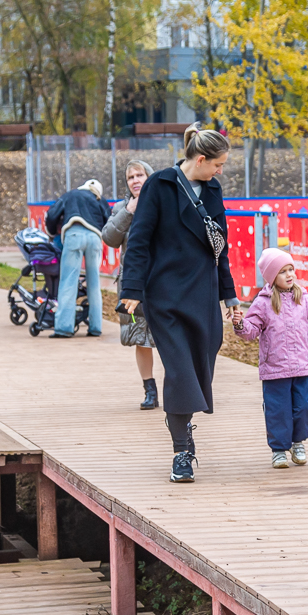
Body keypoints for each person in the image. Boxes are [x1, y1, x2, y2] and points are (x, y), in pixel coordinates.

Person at [119, 122, 239, 483]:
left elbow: (221, 247)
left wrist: (229, 294)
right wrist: (131, 290)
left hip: (202, 293)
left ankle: (184, 434)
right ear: (200, 159)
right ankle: (182, 452)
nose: (220, 171)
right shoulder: (161, 185)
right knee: (180, 371)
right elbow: (139, 239)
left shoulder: (213, 189)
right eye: (217, 164)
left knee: (201, 365)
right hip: (165, 295)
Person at [232, 249, 308, 468]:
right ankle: (279, 449)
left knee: (306, 404)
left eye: (291, 269)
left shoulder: (304, 299)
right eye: (282, 272)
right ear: (271, 277)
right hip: (275, 368)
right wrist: (240, 323)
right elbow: (251, 331)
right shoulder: (263, 303)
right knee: (278, 410)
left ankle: (298, 441)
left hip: (304, 366)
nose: (289, 275)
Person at [102, 159, 159, 410]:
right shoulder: (121, 208)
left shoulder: (164, 204)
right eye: (130, 177)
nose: (135, 180)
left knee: (169, 339)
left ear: (150, 177)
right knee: (141, 339)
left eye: (140, 175)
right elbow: (109, 238)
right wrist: (128, 211)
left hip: (161, 283)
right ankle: (150, 390)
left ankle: (179, 390)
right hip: (133, 286)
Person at [45, 179, 111, 338]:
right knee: (94, 283)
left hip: (74, 235)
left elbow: (52, 215)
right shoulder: (99, 199)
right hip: (95, 238)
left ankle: (64, 328)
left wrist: (53, 232)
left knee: (69, 280)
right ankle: (95, 327)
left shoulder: (71, 194)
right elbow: (109, 220)